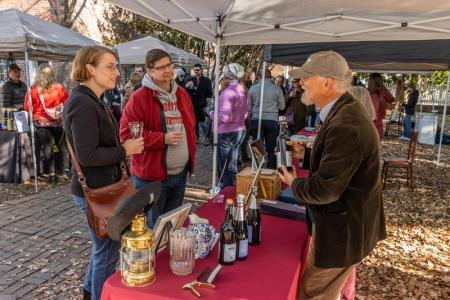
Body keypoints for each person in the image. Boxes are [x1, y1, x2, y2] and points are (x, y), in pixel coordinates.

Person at [278, 51, 386, 299]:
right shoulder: (343, 112)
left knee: (312, 293)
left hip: (342, 233)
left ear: (327, 82)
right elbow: (339, 166)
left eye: (306, 77)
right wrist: (304, 157)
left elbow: (325, 190)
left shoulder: (346, 123)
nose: (301, 82)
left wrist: (294, 182)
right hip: (344, 227)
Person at [64, 46, 144, 300]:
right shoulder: (82, 102)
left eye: (116, 66)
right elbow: (87, 156)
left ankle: (90, 292)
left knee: (105, 248)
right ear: (90, 68)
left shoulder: (93, 99)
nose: (117, 73)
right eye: (110, 66)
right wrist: (125, 150)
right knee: (107, 250)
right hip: (96, 192)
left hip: (105, 189)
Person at [120, 49, 196, 227]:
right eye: (161, 67)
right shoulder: (139, 97)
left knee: (172, 226)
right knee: (152, 229)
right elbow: (126, 134)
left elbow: (191, 128)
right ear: (150, 71)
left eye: (169, 65)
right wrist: (163, 139)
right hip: (151, 177)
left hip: (180, 173)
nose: (167, 70)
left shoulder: (182, 94)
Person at [24, 64, 69, 182]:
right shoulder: (59, 87)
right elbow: (67, 102)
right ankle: (66, 172)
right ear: (52, 73)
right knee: (62, 146)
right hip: (58, 121)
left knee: (47, 148)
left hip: (41, 122)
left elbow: (27, 107)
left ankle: (52, 174)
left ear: (39, 74)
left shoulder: (33, 89)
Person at [215, 63, 248, 187]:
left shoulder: (228, 92)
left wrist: (212, 114)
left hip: (228, 131)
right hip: (239, 130)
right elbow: (245, 114)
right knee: (231, 163)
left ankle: (227, 190)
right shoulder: (241, 90)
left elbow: (224, 118)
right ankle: (231, 188)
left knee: (225, 165)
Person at [248, 69, 285, 169]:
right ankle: (271, 169)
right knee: (271, 147)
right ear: (271, 76)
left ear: (259, 76)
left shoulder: (253, 88)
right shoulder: (277, 89)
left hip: (257, 119)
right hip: (272, 119)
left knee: (257, 147)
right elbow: (282, 106)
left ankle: (257, 168)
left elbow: (248, 107)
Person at [185, 63, 213, 142]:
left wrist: (204, 99)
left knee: (203, 122)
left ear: (201, 70)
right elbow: (186, 93)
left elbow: (210, 93)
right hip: (193, 104)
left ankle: (208, 137)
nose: (196, 71)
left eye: (197, 70)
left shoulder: (207, 80)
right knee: (194, 122)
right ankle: (196, 138)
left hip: (202, 104)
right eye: (194, 70)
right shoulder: (191, 79)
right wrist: (187, 87)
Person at [368, 73, 395, 139]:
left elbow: (391, 99)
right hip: (378, 125)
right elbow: (391, 99)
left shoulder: (373, 95)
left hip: (372, 126)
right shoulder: (380, 94)